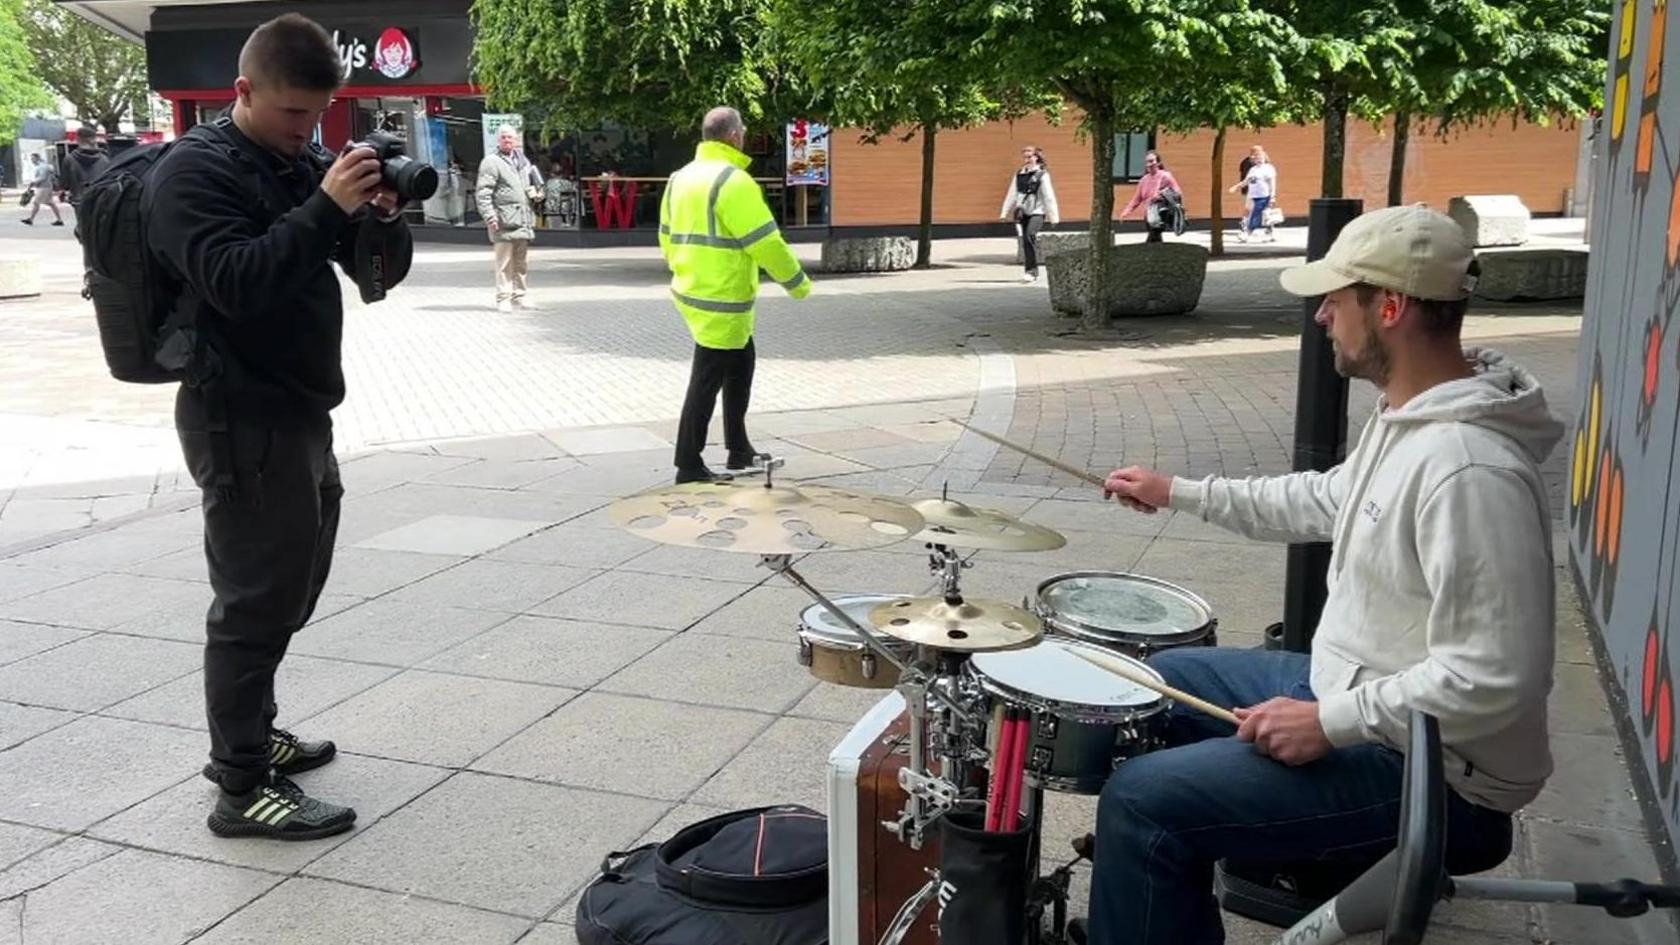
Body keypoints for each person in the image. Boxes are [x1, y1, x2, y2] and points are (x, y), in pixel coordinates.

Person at [1091, 204, 1562, 945]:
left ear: (1393, 306)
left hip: (1440, 775)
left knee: (1141, 802)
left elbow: (1497, 674)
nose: (1321, 316)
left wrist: (1327, 722)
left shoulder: (1469, 469)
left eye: (1336, 300)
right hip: (1361, 695)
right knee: (1156, 685)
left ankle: (1161, 862)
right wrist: (1176, 491)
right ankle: (1165, 897)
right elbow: (1323, 498)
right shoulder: (1410, 417)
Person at [145, 12, 411, 841]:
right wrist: (321, 208)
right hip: (237, 419)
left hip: (299, 410)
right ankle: (241, 786)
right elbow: (234, 281)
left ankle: (254, 731)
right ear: (243, 91)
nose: (308, 134)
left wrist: (380, 218)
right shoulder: (193, 174)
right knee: (254, 604)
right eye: (293, 115)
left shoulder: (297, 162)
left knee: (293, 587)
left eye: (319, 117)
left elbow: (371, 278)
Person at [661, 106, 811, 484]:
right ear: (733, 136)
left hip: (696, 291)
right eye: (742, 131)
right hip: (722, 295)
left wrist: (684, 269)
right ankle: (688, 464)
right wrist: (797, 283)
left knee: (741, 364)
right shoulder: (734, 181)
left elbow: (666, 234)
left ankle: (738, 448)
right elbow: (766, 242)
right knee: (707, 378)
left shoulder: (680, 178)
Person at [476, 124, 543, 313]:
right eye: (504, 137)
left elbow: (530, 186)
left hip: (522, 218)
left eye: (510, 137)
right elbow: (483, 193)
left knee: (521, 263)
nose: (507, 140)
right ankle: (503, 298)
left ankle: (520, 296)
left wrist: (536, 194)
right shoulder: (491, 162)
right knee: (504, 263)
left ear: (516, 141)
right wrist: (490, 216)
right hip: (503, 220)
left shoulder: (523, 162)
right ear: (499, 140)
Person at [999, 145, 1060, 284]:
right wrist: (1004, 212)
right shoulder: (1020, 174)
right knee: (1026, 241)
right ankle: (1030, 271)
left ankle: (1032, 271)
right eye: (1024, 157)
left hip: (1037, 212)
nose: (1026, 159)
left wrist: (1053, 216)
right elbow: (1012, 194)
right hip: (1023, 212)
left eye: (1029, 157)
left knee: (1029, 235)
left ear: (1036, 157)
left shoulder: (1042, 175)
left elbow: (1048, 196)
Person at [1118, 150, 1182, 242]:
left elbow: (1178, 193)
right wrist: (1126, 212)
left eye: (1152, 161)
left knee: (1153, 236)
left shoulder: (1165, 176)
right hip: (1148, 214)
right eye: (1147, 162)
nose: (1149, 164)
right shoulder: (1144, 180)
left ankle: (1146, 252)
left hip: (1160, 214)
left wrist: (1162, 196)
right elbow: (1137, 199)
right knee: (1156, 240)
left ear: (1158, 162)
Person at [1230, 145, 1278, 242]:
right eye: (1256, 157)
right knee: (1263, 215)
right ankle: (1270, 233)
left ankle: (1247, 234)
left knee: (1257, 215)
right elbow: (1246, 181)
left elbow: (1272, 184)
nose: (1258, 159)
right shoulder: (1253, 169)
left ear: (1264, 157)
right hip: (1252, 195)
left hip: (1263, 196)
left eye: (1260, 157)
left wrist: (1272, 197)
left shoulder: (1269, 168)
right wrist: (1236, 186)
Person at [61, 127, 111, 210]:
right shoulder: (104, 159)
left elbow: (65, 184)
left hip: (79, 200)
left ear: (78, 139)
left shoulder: (69, 159)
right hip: (100, 199)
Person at [21, 153, 64, 226]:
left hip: (43, 187)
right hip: (46, 186)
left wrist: (33, 182)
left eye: (32, 159)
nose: (32, 161)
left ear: (37, 158)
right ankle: (59, 220)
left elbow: (42, 177)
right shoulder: (44, 166)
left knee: (36, 203)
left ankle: (31, 219)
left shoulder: (42, 167)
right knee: (50, 203)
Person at [1235, 144, 1261, 238]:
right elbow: (1247, 177)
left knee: (1253, 209)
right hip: (1251, 190)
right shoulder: (1250, 163)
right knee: (1250, 209)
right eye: (1258, 152)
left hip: (1255, 190)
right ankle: (1246, 226)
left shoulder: (1248, 162)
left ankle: (1249, 226)